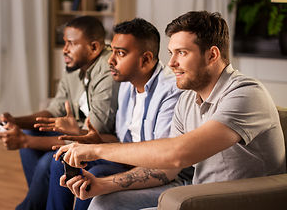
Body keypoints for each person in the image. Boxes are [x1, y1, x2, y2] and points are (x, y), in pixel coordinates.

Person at [55, 11, 286, 210]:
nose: (172, 62)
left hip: (242, 201)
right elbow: (164, 169)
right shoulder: (188, 98)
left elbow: (177, 154)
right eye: (171, 52)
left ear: (212, 55)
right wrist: (102, 184)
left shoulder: (245, 94)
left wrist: (96, 150)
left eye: (182, 53)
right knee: (104, 202)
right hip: (201, 194)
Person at [46, 18, 187, 210]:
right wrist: (92, 140)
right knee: (62, 161)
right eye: (111, 51)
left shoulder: (171, 92)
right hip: (129, 160)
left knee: (97, 173)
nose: (110, 60)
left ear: (145, 59)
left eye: (120, 53)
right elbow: (123, 141)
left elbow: (164, 161)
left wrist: (100, 149)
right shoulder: (126, 84)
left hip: (163, 172)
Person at [0, 16, 120, 210]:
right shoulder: (73, 66)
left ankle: (28, 207)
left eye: (71, 44)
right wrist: (16, 121)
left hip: (97, 140)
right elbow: (56, 108)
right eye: (64, 42)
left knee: (49, 161)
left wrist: (24, 140)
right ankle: (40, 204)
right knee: (31, 134)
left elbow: (92, 135)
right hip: (73, 133)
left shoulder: (107, 71)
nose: (64, 49)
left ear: (94, 47)